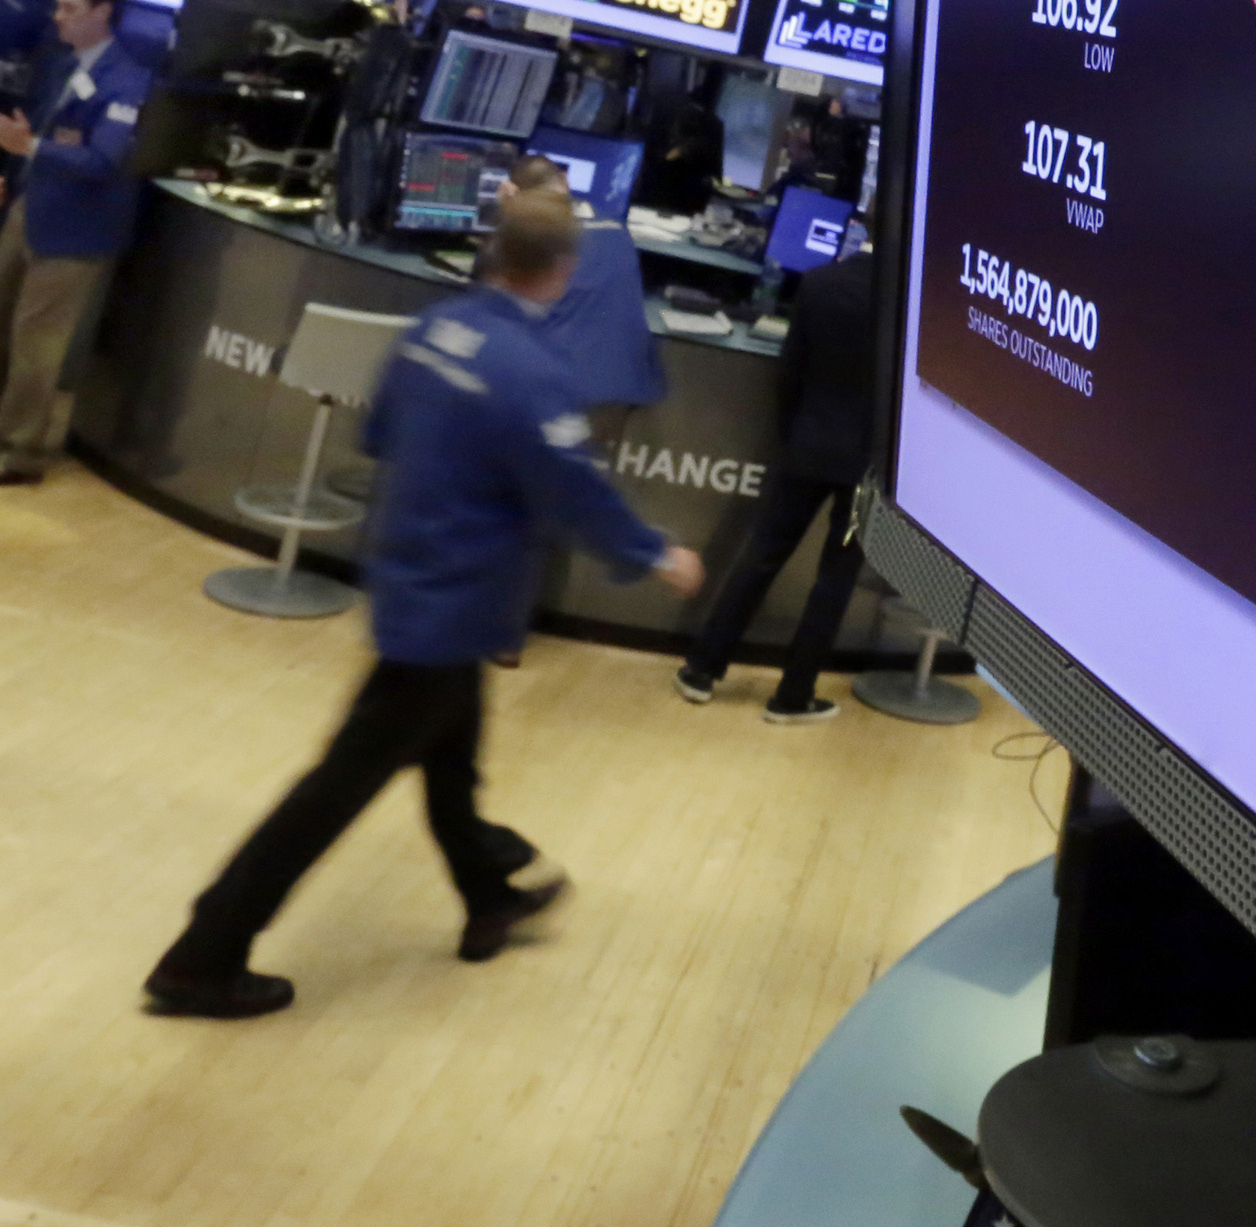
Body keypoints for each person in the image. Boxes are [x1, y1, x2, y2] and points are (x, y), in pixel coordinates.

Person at [143, 188, 707, 1020]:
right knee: (335, 790)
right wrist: (654, 553)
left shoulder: (432, 330)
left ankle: (488, 896)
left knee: (452, 762)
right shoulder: (534, 373)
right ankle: (202, 952)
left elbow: (379, 440)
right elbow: (574, 493)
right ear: (561, 273)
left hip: (408, 580)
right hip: (455, 608)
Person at [673, 245, 874, 724]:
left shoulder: (819, 282)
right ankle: (793, 696)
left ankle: (702, 669)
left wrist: (790, 434)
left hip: (805, 444)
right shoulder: (908, 303)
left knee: (761, 556)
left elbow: (791, 369)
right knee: (834, 579)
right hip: (866, 465)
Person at [0, 0, 150, 484]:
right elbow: (34, 130)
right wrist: (14, 170)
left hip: (75, 233)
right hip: (30, 209)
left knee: (36, 342)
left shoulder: (126, 81)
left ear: (102, 12)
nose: (56, 16)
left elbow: (103, 159)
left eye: (68, 8)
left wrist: (33, 150)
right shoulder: (64, 65)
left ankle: (21, 454)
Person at [501, 155, 667, 408]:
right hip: (627, 385)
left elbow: (490, 292)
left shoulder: (537, 231)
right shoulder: (615, 225)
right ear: (565, 181)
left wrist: (506, 216)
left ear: (518, 195)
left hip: (561, 386)